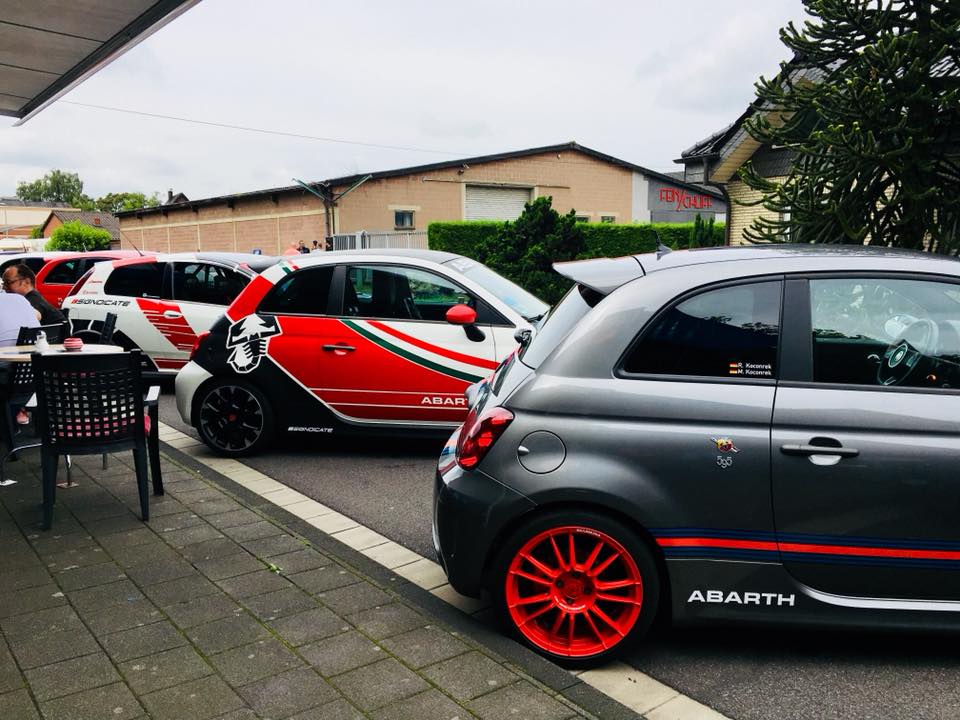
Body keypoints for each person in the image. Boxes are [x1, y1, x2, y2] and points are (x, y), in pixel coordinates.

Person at [2, 264, 66, 326]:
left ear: (27, 281)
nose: (4, 287)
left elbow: (33, 317)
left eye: (8, 282)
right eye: (4, 283)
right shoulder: (34, 298)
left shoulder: (32, 301)